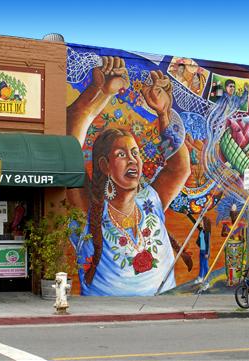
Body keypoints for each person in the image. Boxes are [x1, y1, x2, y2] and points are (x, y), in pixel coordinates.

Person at [66, 56, 191, 296]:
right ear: (104, 165)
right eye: (122, 154)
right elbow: (70, 145)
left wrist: (164, 114)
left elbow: (180, 167)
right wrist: (99, 91)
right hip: (104, 318)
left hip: (163, 316)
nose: (133, 159)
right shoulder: (88, 210)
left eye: (135, 152)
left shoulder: (150, 200)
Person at [196, 217, 211, 283]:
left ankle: (207, 281)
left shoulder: (207, 233)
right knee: (201, 264)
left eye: (201, 221)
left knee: (205, 266)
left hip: (205, 251)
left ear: (204, 223)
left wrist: (207, 253)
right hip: (201, 250)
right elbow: (195, 222)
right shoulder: (201, 230)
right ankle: (200, 278)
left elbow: (208, 244)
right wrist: (188, 214)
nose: (200, 223)